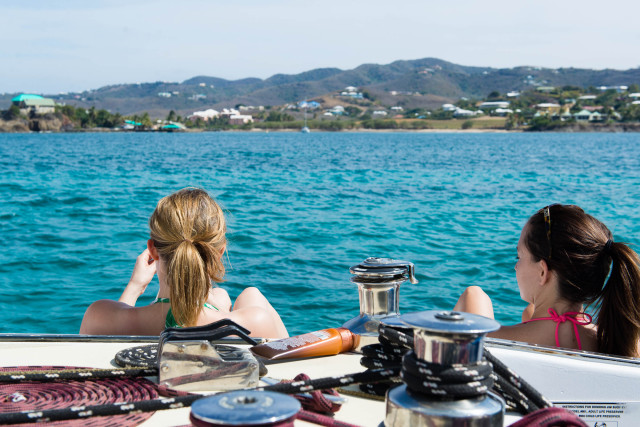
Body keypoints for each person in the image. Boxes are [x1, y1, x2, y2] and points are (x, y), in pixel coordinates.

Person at [80, 187, 289, 338]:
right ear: (219, 253)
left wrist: (135, 287)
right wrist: (213, 307)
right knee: (249, 294)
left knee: (219, 297)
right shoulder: (255, 324)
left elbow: (120, 315)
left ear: (153, 249)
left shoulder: (99, 317)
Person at [454, 204, 640, 358]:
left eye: (518, 257)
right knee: (530, 312)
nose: (515, 267)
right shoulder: (623, 344)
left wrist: (474, 295)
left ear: (543, 271)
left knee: (475, 295)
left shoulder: (490, 340)